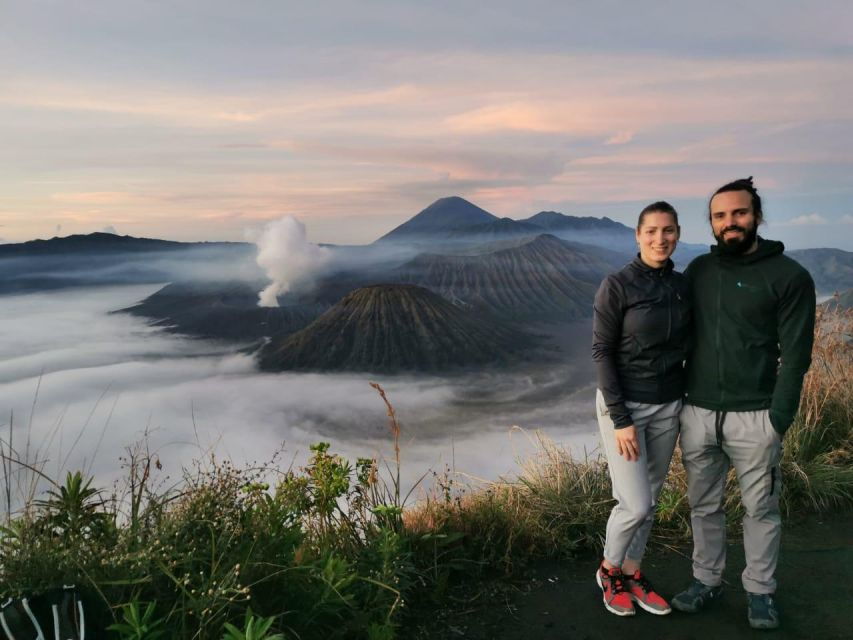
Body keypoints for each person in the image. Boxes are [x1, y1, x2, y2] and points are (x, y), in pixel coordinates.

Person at [671, 177, 816, 630]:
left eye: (739, 213)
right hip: (697, 413)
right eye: (720, 216)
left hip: (757, 416)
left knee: (760, 510)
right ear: (711, 222)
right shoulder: (698, 271)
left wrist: (780, 418)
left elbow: (796, 354)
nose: (729, 223)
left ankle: (760, 591)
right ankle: (706, 579)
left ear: (757, 215)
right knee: (703, 507)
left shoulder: (789, 276)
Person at [592, 201, 690, 617]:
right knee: (635, 503)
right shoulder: (617, 285)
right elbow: (602, 352)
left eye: (668, 230)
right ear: (637, 235)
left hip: (669, 405)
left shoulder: (683, 286)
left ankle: (633, 571)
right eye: (651, 231)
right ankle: (609, 570)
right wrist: (621, 419)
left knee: (651, 497)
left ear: (678, 233)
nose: (660, 238)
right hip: (626, 408)